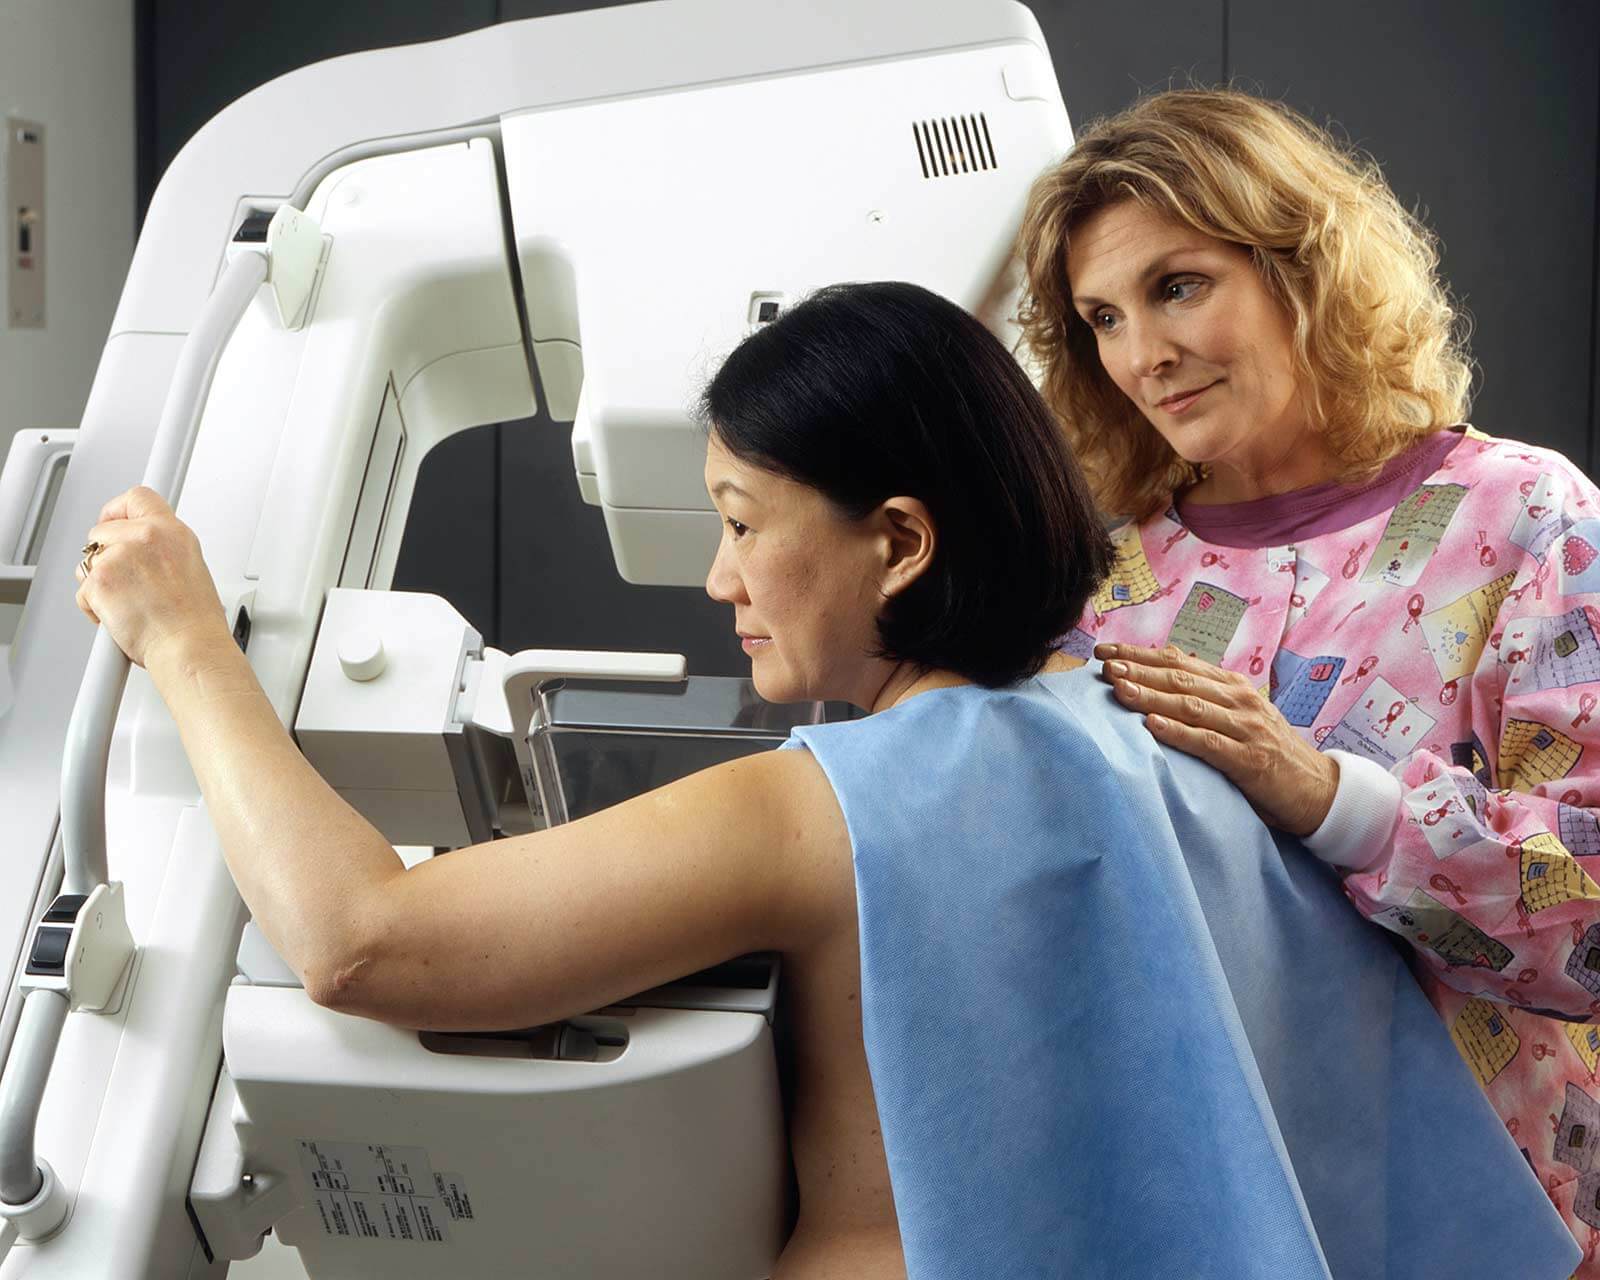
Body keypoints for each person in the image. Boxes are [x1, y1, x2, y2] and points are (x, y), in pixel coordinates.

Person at [73, 283, 1574, 1278]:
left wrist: (184, 639)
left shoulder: (824, 808)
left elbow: (361, 942)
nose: (718, 576)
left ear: (900, 543)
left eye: (740, 519)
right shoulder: (1176, 743)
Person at [1017, 86, 1600, 1263]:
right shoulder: (1104, 577)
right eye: (1102, 318)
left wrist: (1331, 798)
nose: (1145, 354)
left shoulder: (1528, 516)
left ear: (1305, 267)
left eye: (1177, 285)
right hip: (1201, 1216)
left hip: (1495, 1216)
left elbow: (1588, 914)